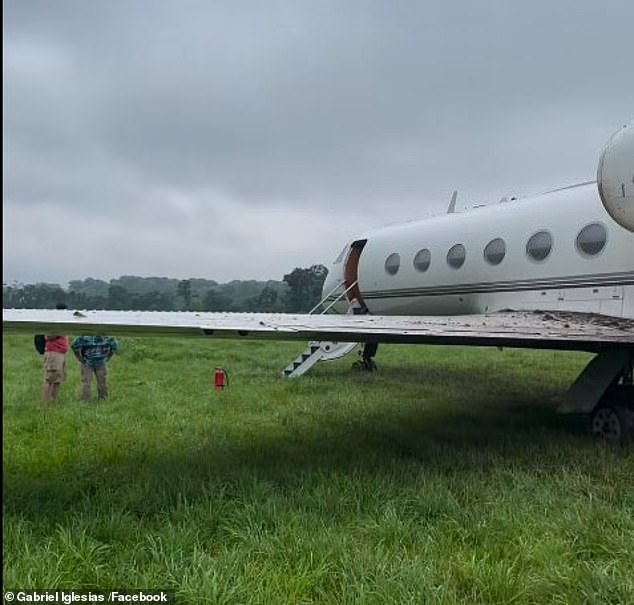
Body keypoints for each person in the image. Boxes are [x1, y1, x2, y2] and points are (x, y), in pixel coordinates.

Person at [71, 335, 119, 402]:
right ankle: (102, 399)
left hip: (91, 361)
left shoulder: (85, 335)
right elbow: (114, 346)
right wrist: (108, 357)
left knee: (88, 382)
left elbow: (74, 346)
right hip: (90, 362)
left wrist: (79, 358)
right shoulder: (107, 336)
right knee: (99, 382)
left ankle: (87, 400)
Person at [40, 303, 69, 402]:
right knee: (49, 378)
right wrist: (60, 330)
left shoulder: (62, 322)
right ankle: (44, 402)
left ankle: (54, 402)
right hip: (53, 352)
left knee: (57, 379)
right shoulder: (53, 321)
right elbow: (48, 336)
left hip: (60, 353)